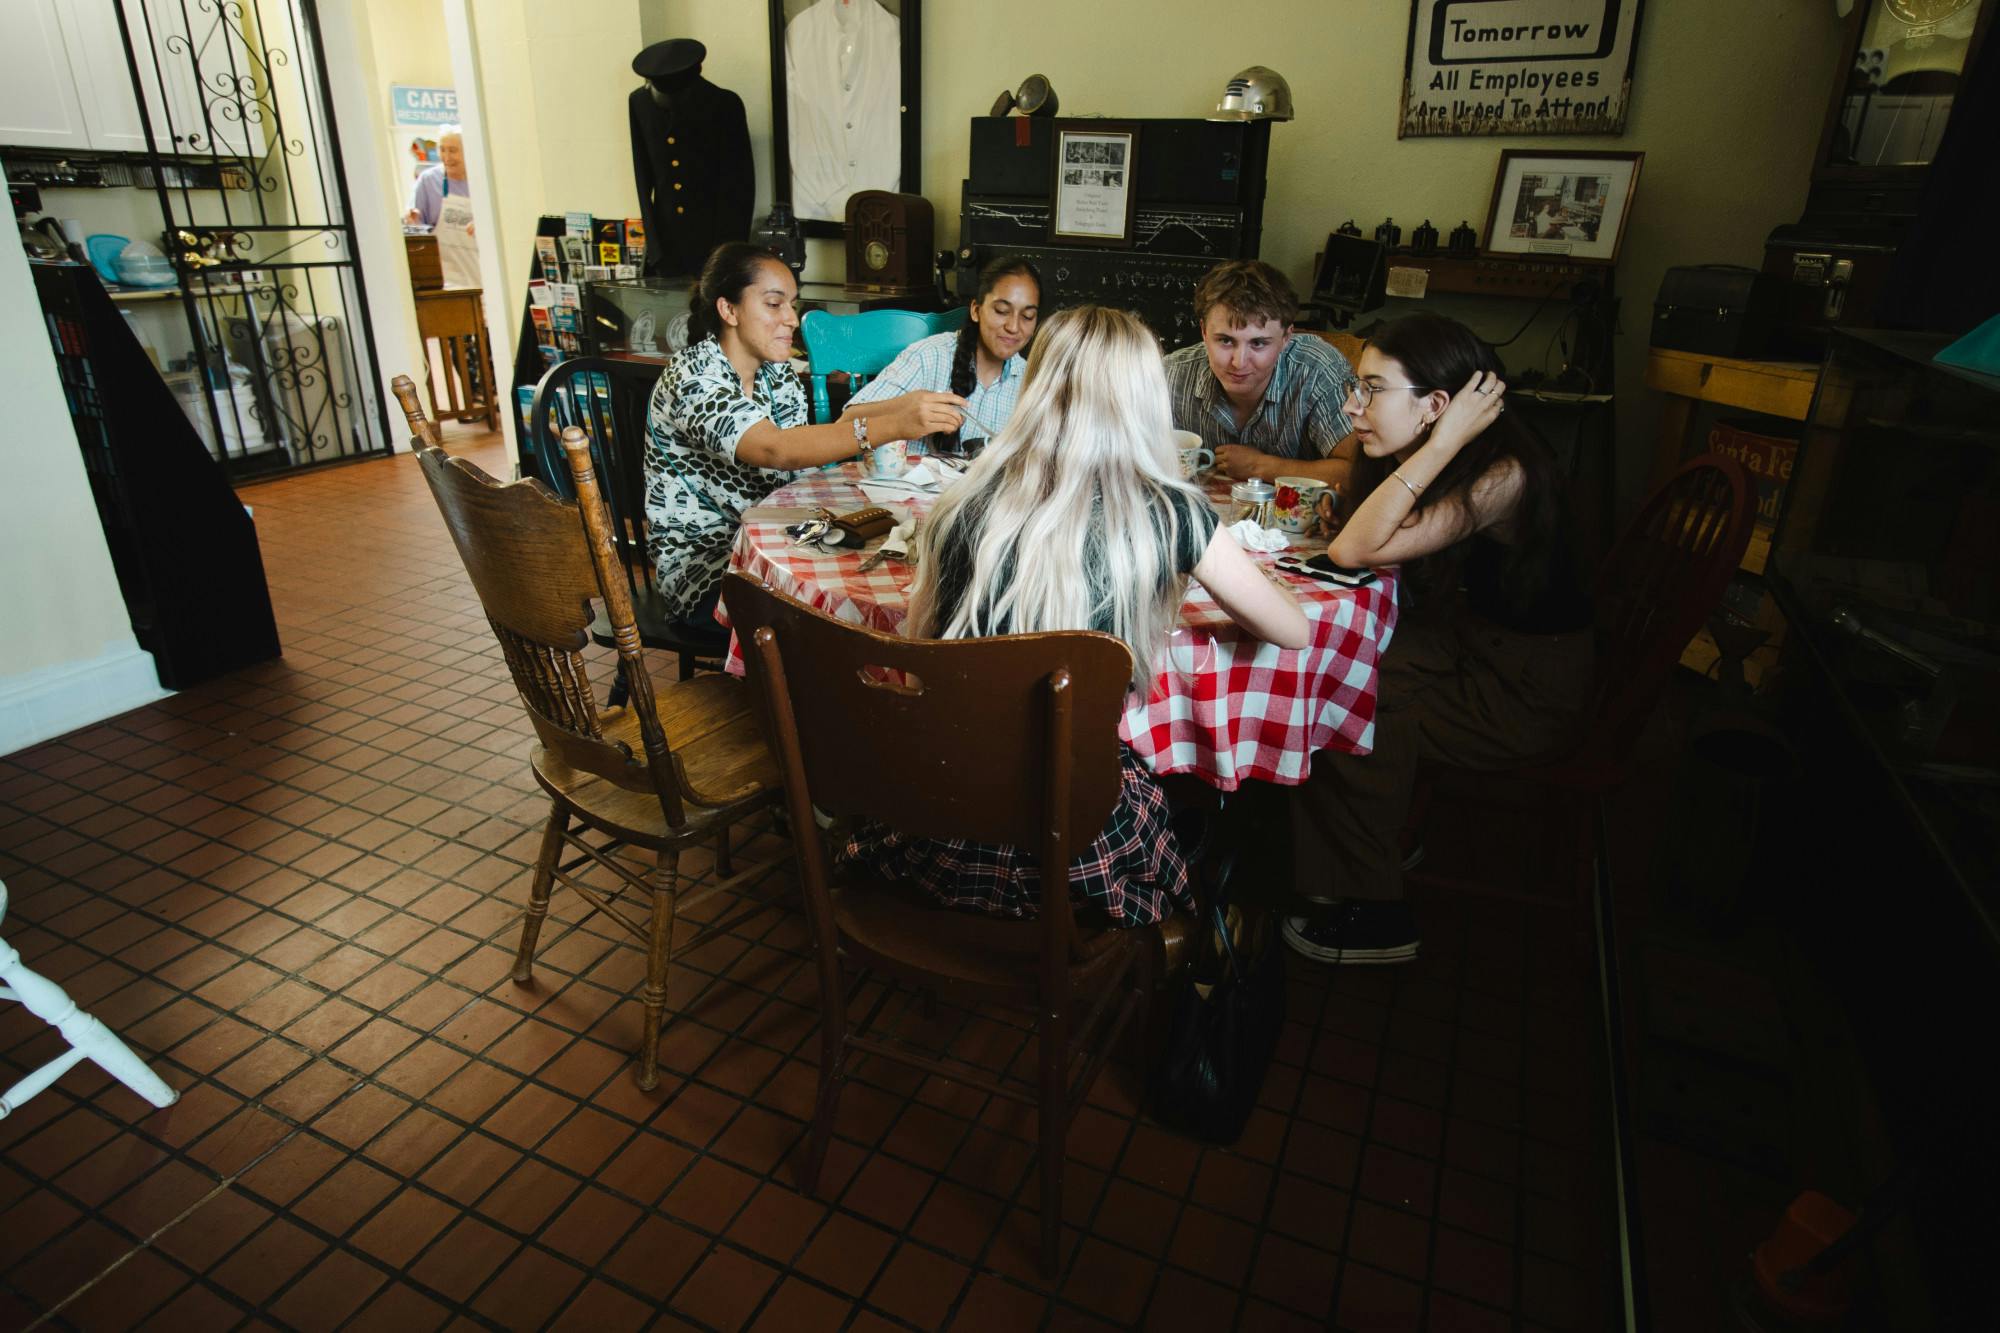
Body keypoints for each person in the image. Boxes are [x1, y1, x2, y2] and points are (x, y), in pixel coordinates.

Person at [842, 305, 1310, 927]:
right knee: (1194, 812)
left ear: (1036, 386)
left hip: (937, 821)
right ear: (1145, 398)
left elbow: (921, 655)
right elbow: (1293, 631)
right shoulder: (1172, 513)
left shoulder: (962, 502)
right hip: (1078, 850)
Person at [1285, 313, 1594, 965]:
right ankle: (1365, 836)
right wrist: (1438, 442)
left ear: (1438, 405)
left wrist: (1439, 443)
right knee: (1330, 676)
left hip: (1524, 688)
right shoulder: (1464, 453)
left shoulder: (1500, 471)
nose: (1351, 405)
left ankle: (1376, 910)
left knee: (1346, 712)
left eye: (1371, 388)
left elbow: (1354, 546)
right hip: (1474, 643)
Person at [643, 243, 968, 632]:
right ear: (728, 310)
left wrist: (902, 406)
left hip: (780, 539)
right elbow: (777, 448)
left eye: (791, 305)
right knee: (834, 628)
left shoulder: (774, 373)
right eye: (774, 304)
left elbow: (806, 441)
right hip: (709, 568)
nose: (792, 319)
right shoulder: (694, 378)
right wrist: (895, 425)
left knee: (898, 572)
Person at [1163, 259, 1357, 492]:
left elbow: (1357, 473)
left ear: (1286, 337)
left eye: (1258, 343)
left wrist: (1262, 466)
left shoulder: (1318, 371)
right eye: (1225, 341)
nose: (1239, 362)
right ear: (1204, 332)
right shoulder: (1171, 374)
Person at [845, 255, 1041, 456]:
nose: (1013, 327)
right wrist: (904, 410)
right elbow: (846, 425)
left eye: (1027, 316)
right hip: (909, 486)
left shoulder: (1030, 381)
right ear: (976, 310)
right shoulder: (929, 357)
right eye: (1001, 311)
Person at [405, 127, 469, 230]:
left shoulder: (481, 179)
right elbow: (415, 224)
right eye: (442, 150)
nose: (447, 157)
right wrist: (413, 221)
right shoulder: (427, 180)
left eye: (453, 151)